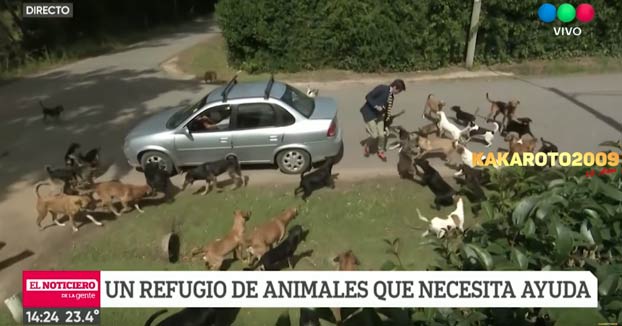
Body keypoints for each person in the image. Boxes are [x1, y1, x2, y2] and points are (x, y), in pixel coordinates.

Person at [360, 79, 406, 161]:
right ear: (395, 87)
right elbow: (368, 96)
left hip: (379, 116)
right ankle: (367, 145)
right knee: (375, 135)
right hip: (369, 113)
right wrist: (376, 106)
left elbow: (387, 111)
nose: (398, 93)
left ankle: (380, 151)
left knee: (382, 135)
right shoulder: (382, 88)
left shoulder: (391, 98)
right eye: (399, 91)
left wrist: (386, 124)